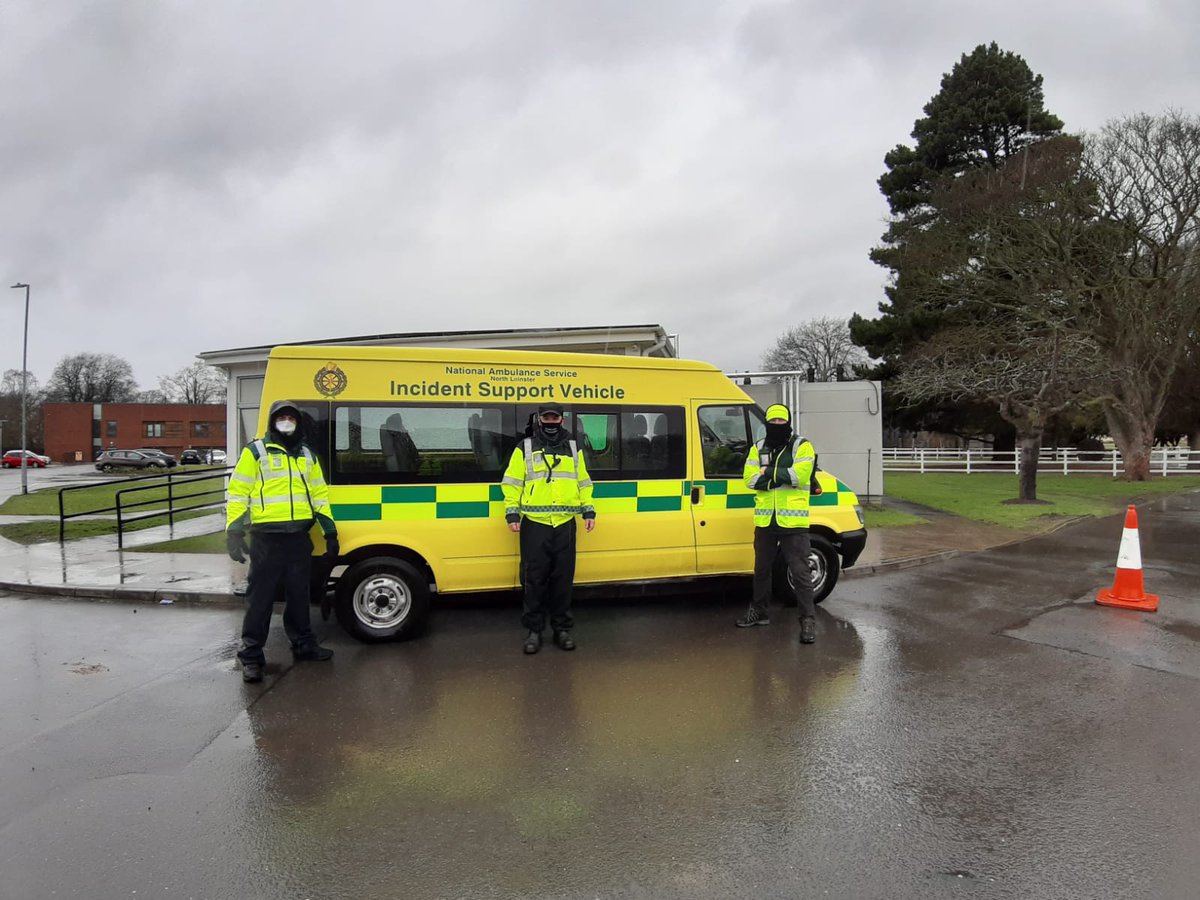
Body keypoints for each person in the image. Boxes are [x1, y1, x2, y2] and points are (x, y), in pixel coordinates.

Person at [226, 400, 339, 682]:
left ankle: (304, 645)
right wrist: (234, 532)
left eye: (291, 417)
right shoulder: (256, 452)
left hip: (298, 538)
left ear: (298, 423)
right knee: (260, 599)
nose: (286, 421)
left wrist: (330, 532)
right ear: (272, 421)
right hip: (267, 539)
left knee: (299, 596)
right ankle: (251, 657)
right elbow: (238, 492)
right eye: (281, 417)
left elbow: (319, 496)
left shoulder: (307, 456)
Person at [501, 402, 596, 654]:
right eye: (547, 417)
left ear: (562, 420)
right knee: (534, 579)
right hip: (535, 524)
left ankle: (561, 629)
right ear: (539, 419)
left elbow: (583, 481)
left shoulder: (574, 447)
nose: (551, 421)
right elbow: (512, 482)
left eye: (555, 418)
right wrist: (512, 512)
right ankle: (534, 631)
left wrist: (588, 509)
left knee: (563, 579)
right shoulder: (525, 447)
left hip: (565, 523)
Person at [736, 403, 818, 644]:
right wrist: (779, 476)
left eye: (782, 422)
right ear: (767, 424)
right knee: (761, 570)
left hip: (793, 521)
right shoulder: (758, 447)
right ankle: (759, 612)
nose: (777, 426)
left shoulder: (802, 445)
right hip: (765, 520)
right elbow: (749, 480)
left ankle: (808, 620)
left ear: (788, 423)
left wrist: (768, 471)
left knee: (801, 572)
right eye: (773, 422)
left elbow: (800, 476)